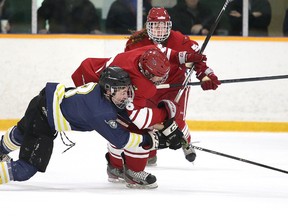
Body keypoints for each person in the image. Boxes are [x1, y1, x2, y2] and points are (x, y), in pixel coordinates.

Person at [0, 67, 185, 189]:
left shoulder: (104, 94)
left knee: (21, 133)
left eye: (127, 89)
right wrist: (152, 140)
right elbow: (120, 140)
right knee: (25, 170)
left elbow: (128, 116)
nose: (126, 94)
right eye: (121, 90)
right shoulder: (99, 111)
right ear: (108, 90)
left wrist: (166, 128)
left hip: (42, 102)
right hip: (44, 118)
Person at [71, 43, 209, 178]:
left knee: (123, 124)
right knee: (129, 128)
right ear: (147, 73)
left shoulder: (150, 50)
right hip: (94, 86)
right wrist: (166, 114)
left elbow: (163, 50)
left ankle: (116, 166)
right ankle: (128, 170)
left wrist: (184, 56)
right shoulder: (141, 84)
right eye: (158, 76)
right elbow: (140, 119)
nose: (162, 79)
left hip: (98, 76)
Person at [124, 7, 221, 165]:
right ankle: (150, 151)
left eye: (163, 26)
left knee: (175, 120)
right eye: (156, 26)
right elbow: (128, 64)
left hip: (174, 87)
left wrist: (205, 75)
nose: (160, 30)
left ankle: (185, 140)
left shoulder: (180, 40)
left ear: (169, 26)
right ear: (148, 26)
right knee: (147, 119)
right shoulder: (136, 42)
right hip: (148, 87)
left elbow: (198, 59)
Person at [37, 0, 101, 34]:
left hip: (81, 43)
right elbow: (39, 16)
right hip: (56, 41)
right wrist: (41, 29)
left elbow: (95, 26)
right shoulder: (52, 2)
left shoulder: (88, 5)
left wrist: (95, 32)